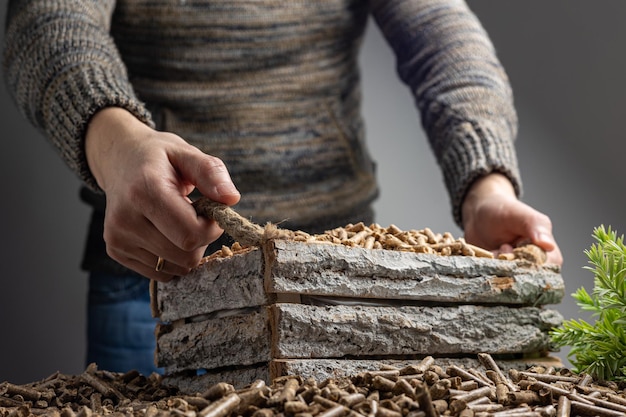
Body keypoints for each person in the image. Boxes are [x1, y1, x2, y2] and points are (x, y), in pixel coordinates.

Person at [3, 0, 563, 376]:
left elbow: (443, 35)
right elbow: (49, 21)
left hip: (340, 284)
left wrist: (485, 184)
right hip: (158, 282)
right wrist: (117, 144)